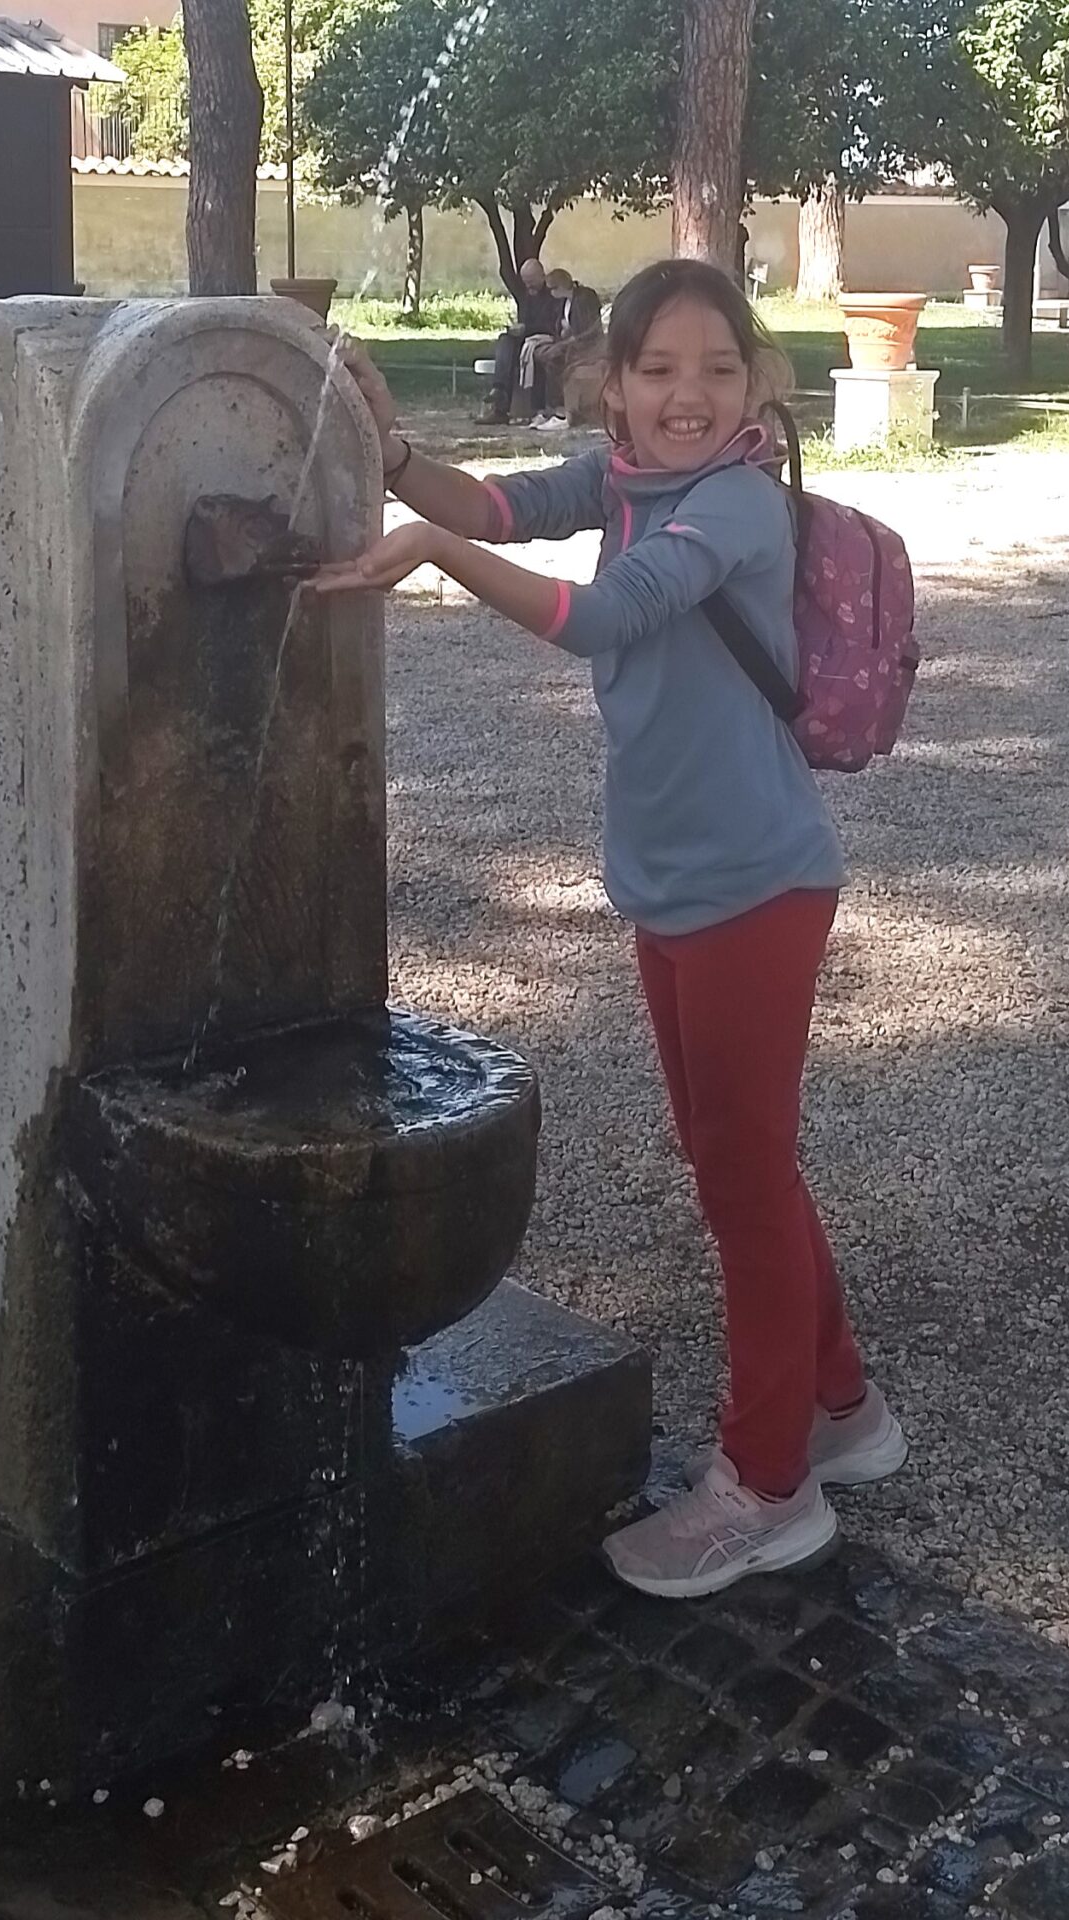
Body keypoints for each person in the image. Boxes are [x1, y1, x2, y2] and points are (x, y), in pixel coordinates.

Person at [315, 260, 906, 1599]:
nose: (688, 394)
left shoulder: (736, 503)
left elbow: (606, 618)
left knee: (743, 1183)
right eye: (658, 370)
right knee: (736, 1165)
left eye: (717, 369)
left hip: (757, 888)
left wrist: (431, 556)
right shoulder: (625, 478)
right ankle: (843, 1409)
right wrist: (395, 457)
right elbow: (498, 503)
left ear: (757, 384)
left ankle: (770, 1489)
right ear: (615, 387)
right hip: (673, 883)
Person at [478, 258, 561, 426]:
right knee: (505, 340)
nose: (528, 286)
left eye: (531, 281)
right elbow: (525, 320)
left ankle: (537, 410)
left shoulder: (553, 295)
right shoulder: (527, 296)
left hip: (545, 338)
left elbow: (552, 325)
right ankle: (499, 393)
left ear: (541, 276)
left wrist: (526, 328)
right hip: (527, 336)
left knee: (535, 354)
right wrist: (517, 330)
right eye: (525, 282)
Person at [523, 270, 604, 431]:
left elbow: (587, 330)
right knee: (537, 354)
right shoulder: (565, 301)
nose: (550, 293)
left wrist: (565, 341)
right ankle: (542, 408)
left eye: (551, 289)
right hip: (571, 342)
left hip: (587, 345)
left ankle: (559, 409)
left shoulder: (584, 297)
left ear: (559, 287)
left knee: (553, 358)